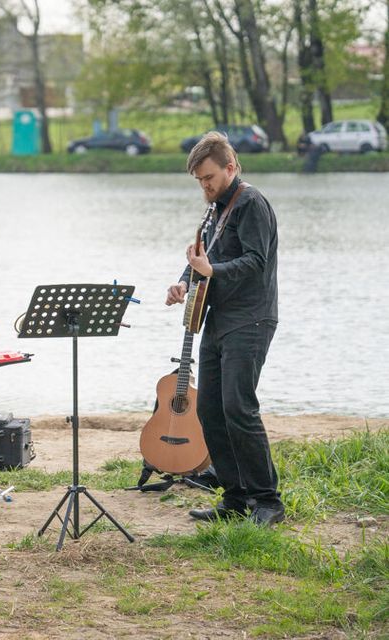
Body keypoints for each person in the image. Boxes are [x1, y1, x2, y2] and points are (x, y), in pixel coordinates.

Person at [165, 131, 283, 527]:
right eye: (199, 180)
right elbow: (203, 257)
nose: (204, 186)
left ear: (231, 167)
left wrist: (211, 270)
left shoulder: (252, 203)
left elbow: (256, 261)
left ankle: (268, 501)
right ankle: (234, 497)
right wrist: (184, 281)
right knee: (209, 409)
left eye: (209, 177)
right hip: (216, 319)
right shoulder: (216, 207)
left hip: (251, 318)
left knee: (239, 407)